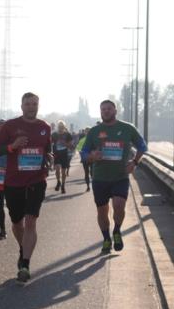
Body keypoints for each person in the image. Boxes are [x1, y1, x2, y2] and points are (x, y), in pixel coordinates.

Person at [0, 92, 52, 283]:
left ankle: (25, 263)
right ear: (21, 106)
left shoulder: (45, 127)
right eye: (27, 104)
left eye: (34, 104)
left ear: (38, 105)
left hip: (36, 180)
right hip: (13, 182)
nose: (31, 107)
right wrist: (12, 146)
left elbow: (47, 149)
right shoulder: (10, 126)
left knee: (30, 221)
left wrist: (49, 158)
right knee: (17, 223)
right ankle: (22, 248)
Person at [81, 100, 147, 255]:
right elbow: (83, 153)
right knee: (102, 211)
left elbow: (142, 146)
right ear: (100, 112)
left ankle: (117, 230)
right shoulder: (94, 131)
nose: (106, 111)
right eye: (103, 109)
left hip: (120, 176)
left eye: (109, 109)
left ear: (115, 111)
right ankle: (106, 238)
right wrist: (92, 156)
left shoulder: (127, 128)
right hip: (100, 178)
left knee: (119, 206)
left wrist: (134, 162)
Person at [51, 120, 75, 194]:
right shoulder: (54, 134)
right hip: (57, 154)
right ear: (57, 127)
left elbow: (72, 146)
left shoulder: (67, 134)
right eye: (59, 127)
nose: (60, 128)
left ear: (64, 127)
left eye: (62, 127)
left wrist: (65, 144)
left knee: (63, 171)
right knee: (57, 169)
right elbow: (50, 143)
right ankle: (58, 181)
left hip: (64, 154)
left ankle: (63, 185)